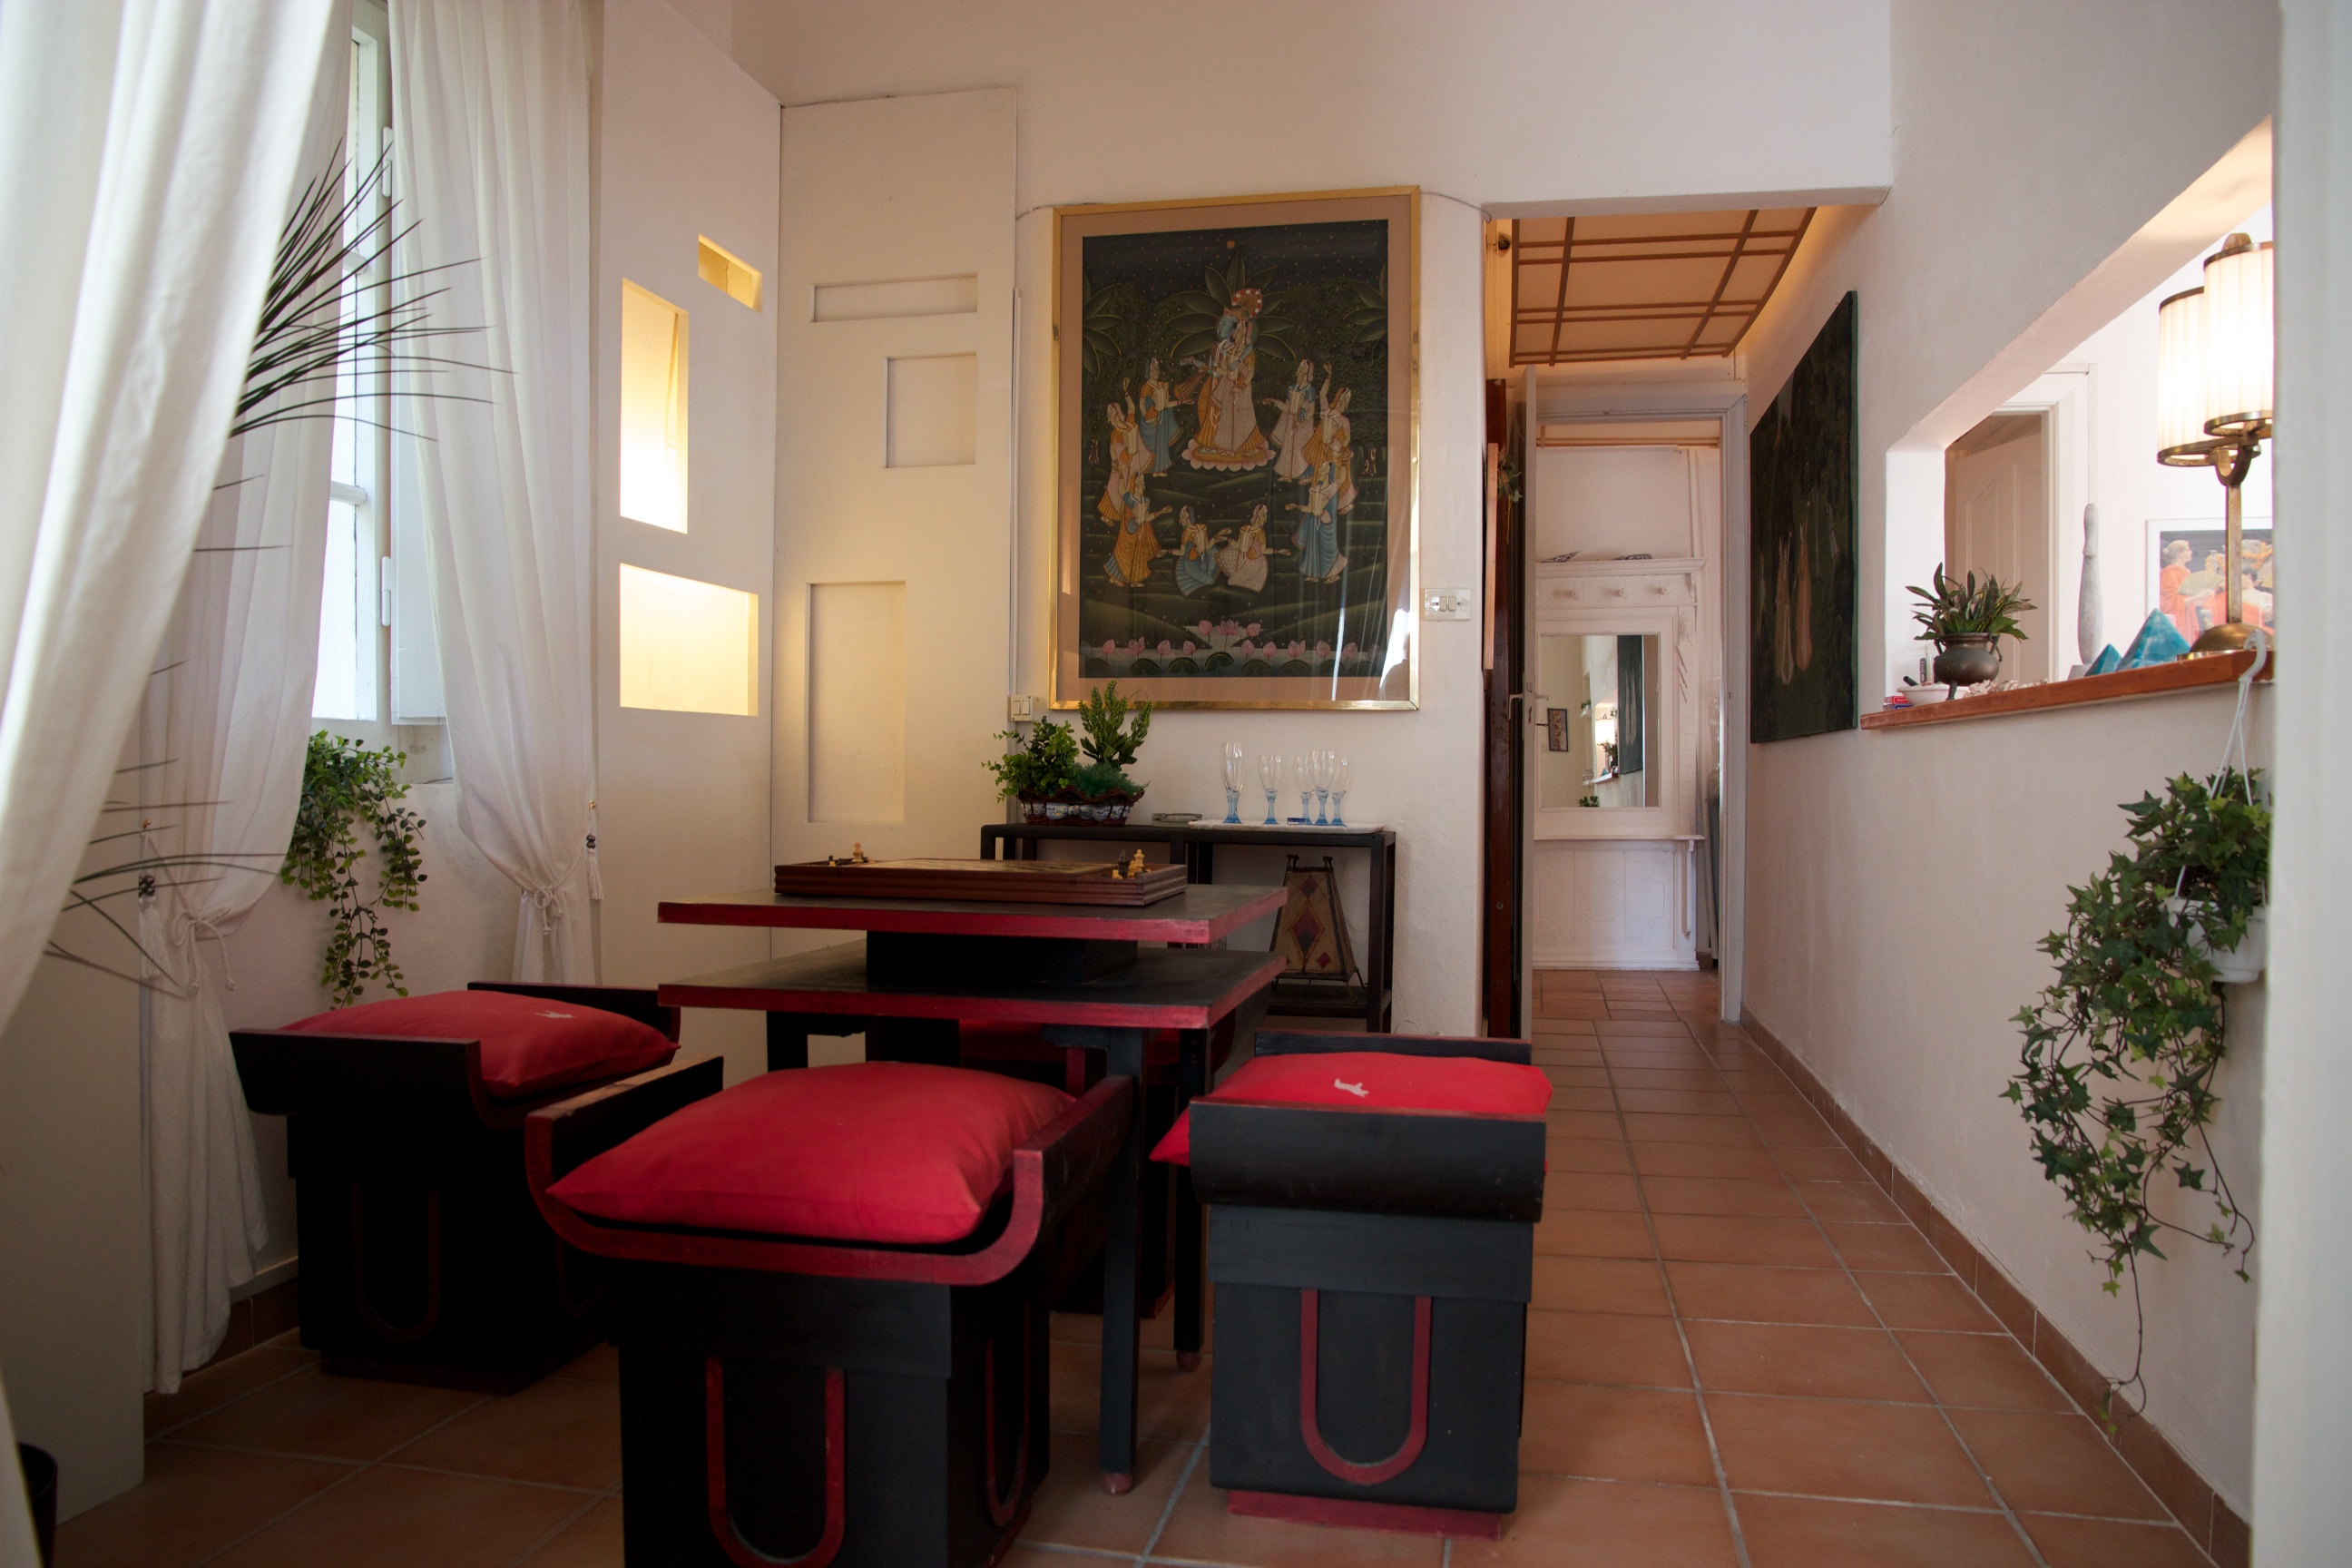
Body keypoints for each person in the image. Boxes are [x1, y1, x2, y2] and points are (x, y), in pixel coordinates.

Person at [1181, 288, 1272, 470]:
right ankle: (1224, 447)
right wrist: (1204, 365)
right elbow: (1223, 370)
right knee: (1225, 418)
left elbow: (1248, 372)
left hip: (1239, 389)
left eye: (1237, 331)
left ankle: (1239, 447)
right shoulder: (1228, 350)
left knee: (1240, 419)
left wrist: (1241, 384)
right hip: (1226, 386)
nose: (1233, 334)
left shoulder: (1247, 353)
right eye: (1234, 331)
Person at [1287, 464, 1346, 583]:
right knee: (1313, 549)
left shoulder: (1331, 488)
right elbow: (1309, 508)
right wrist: (1295, 506)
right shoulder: (1314, 489)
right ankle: (1313, 574)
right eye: (1319, 470)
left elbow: (1342, 479)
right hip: (1314, 522)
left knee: (1328, 549)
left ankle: (1332, 575)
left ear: (1327, 473)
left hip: (1326, 522)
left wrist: (1344, 463)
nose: (1319, 473)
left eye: (1322, 470)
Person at [1264, 358, 1316, 481]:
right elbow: (1287, 407)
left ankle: (1305, 475)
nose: (1298, 372)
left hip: (1303, 423)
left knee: (1300, 450)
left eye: (1302, 370)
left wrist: (1303, 422)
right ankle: (1288, 475)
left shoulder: (1310, 390)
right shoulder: (1292, 388)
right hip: (1290, 420)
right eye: (1299, 370)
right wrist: (1274, 401)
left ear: (1307, 374)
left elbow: (1311, 409)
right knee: (1288, 448)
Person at [1215, 504, 1284, 594]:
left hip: (1254, 564)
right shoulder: (1244, 529)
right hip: (1242, 558)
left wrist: (1278, 551)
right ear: (1257, 516)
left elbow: (1264, 550)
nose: (1265, 518)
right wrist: (1226, 539)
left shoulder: (1261, 533)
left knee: (1231, 581)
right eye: (1263, 515)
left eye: (1266, 516)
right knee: (1230, 581)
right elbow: (1239, 546)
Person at [1135, 359, 1181, 474]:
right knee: (1151, 446)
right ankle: (1147, 469)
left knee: (1160, 444)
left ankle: (1158, 470)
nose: (1156, 371)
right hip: (1150, 420)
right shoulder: (1146, 386)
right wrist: (1146, 416)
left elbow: (1165, 404)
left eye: (1157, 368)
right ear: (1149, 372)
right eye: (1154, 369)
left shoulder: (1163, 385)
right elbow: (1141, 403)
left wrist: (1179, 402)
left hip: (1162, 419)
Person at [1173, 507, 1225, 595]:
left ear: (1188, 518)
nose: (1180, 520)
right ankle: (1203, 579)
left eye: (1182, 517)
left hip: (1202, 558)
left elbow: (1206, 547)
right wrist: (1167, 551)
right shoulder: (1186, 534)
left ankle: (1205, 575)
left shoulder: (1202, 528)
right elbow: (1182, 552)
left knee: (1215, 552)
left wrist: (1216, 537)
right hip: (1191, 565)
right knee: (1211, 581)